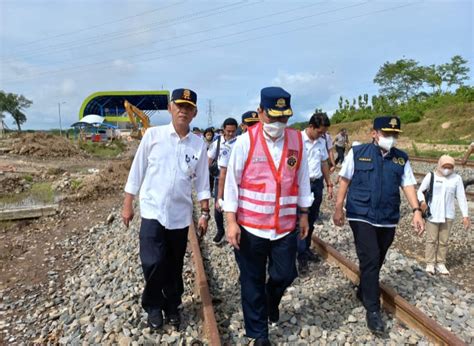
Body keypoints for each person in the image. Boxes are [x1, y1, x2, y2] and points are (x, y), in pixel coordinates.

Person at [224, 87, 312, 345]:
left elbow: (303, 180)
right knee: (251, 282)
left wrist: (304, 214)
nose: (278, 123)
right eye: (273, 117)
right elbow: (232, 184)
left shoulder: (296, 141)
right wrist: (231, 222)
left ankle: (271, 299)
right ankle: (258, 334)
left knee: (286, 275)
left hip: (284, 227)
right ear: (260, 112)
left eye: (283, 118)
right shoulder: (246, 142)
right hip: (251, 227)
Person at [121, 88, 211, 330]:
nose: (183, 110)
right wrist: (128, 203)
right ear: (171, 108)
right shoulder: (153, 136)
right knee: (152, 262)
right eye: (179, 106)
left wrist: (204, 213)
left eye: (188, 107)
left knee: (173, 264)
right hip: (152, 211)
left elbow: (203, 181)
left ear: (194, 113)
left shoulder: (198, 145)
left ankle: (172, 304)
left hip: (180, 216)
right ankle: (152, 304)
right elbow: (137, 170)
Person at [333, 116, 424, 334]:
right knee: (371, 257)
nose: (390, 138)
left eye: (394, 135)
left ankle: (364, 288)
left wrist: (416, 211)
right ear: (374, 133)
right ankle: (372, 309)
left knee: (378, 257)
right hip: (361, 213)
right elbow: (344, 179)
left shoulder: (401, 159)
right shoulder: (357, 153)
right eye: (386, 134)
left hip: (388, 217)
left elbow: (408, 184)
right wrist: (338, 207)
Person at [417, 155, 470, 275]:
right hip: (433, 213)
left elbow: (461, 197)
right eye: (444, 166)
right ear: (439, 165)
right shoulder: (431, 176)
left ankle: (441, 263)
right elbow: (420, 190)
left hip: (448, 214)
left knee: (444, 241)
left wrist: (465, 216)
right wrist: (422, 202)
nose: (447, 169)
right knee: (431, 240)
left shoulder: (456, 178)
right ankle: (430, 264)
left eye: (450, 167)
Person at [214, 111, 260, 243]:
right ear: (243, 126)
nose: (253, 127)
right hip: (235, 187)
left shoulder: (267, 143)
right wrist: (219, 196)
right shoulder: (233, 144)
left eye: (256, 124)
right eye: (250, 124)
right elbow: (223, 173)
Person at [297, 112, 334, 273]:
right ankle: (299, 255)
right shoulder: (297, 140)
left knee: (311, 219)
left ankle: (305, 249)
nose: (322, 135)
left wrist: (329, 183)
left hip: (316, 184)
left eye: (324, 132)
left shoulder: (321, 141)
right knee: (299, 220)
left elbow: (324, 162)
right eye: (320, 132)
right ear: (311, 126)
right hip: (300, 186)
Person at [208, 117, 238, 243]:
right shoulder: (217, 142)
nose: (230, 134)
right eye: (228, 131)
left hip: (234, 178)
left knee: (236, 206)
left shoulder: (239, 142)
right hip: (219, 177)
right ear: (224, 129)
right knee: (218, 206)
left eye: (233, 131)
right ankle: (220, 231)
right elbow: (209, 159)